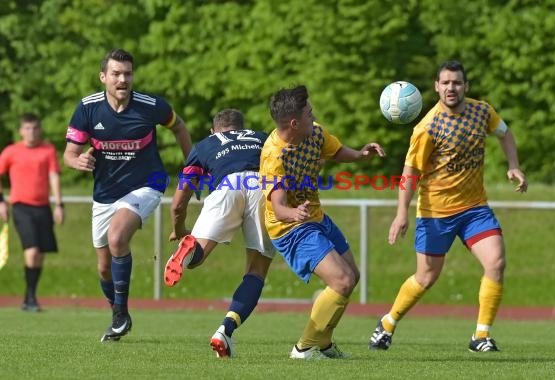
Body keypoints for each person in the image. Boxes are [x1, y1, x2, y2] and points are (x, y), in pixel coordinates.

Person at [368, 60, 528, 353]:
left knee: (496, 262)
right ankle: (387, 323)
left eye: (456, 82)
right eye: (445, 83)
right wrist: (401, 213)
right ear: (436, 87)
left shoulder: (483, 111)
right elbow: (409, 173)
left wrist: (514, 165)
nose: (451, 88)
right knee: (426, 278)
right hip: (435, 213)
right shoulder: (427, 127)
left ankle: (481, 335)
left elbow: (505, 134)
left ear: (465, 86)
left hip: (474, 208)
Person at [63, 48, 192, 342]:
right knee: (104, 266)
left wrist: (191, 167)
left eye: (128, 74)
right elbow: (69, 155)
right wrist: (78, 160)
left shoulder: (151, 106)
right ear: (103, 77)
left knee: (118, 237)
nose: (123, 79)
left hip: (148, 183)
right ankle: (119, 315)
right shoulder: (87, 108)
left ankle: (120, 314)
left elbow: (180, 126)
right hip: (105, 192)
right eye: (116, 74)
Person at [259, 85, 385, 360]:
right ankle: (303, 348)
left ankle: (324, 344)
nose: (313, 116)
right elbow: (278, 207)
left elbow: (337, 151)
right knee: (341, 280)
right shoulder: (273, 156)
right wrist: (295, 214)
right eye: (308, 113)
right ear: (294, 123)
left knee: (352, 277)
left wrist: (361, 154)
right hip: (289, 228)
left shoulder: (313, 132)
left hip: (315, 217)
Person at [163, 108, 275, 358]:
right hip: (261, 186)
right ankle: (225, 329)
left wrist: (180, 230)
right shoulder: (262, 137)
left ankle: (189, 251)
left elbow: (178, 203)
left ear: (215, 130)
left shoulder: (206, 145)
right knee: (256, 271)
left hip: (226, 186)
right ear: (242, 127)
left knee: (197, 256)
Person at [0, 113, 64, 312]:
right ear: (21, 131)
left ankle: (30, 297)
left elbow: (53, 176)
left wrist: (59, 204)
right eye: (27, 128)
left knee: (40, 255)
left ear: (40, 129)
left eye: (35, 128)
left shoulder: (48, 150)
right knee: (32, 250)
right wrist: (1, 201)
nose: (31, 132)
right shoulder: (11, 151)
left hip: (43, 207)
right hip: (21, 207)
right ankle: (29, 298)